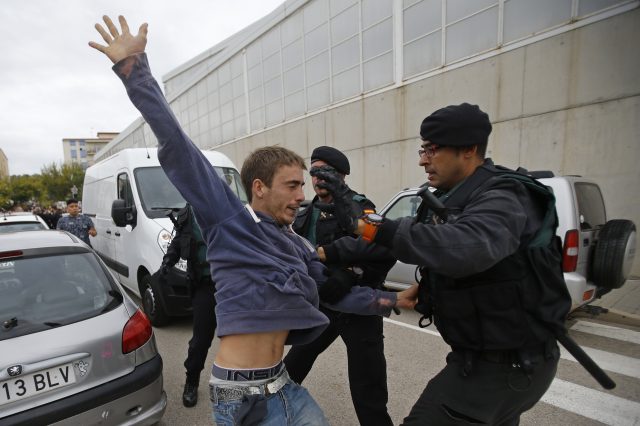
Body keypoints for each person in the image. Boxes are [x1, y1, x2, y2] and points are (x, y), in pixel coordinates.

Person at [89, 15, 417, 425]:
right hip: (241, 397)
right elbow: (177, 143)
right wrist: (135, 71)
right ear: (259, 187)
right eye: (293, 185)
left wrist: (392, 299)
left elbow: (332, 294)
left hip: (283, 386)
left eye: (304, 186)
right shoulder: (229, 222)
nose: (302, 196)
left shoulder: (296, 243)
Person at [353, 103, 570, 425]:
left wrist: (377, 228)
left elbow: (470, 246)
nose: (422, 159)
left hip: (500, 368)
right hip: (496, 360)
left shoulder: (503, 195)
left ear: (469, 150)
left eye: (432, 149)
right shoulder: (457, 197)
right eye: (422, 149)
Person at [284, 146, 395, 426]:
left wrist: (351, 274)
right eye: (315, 172)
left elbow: (383, 251)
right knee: (291, 368)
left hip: (358, 309)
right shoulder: (306, 211)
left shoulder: (359, 206)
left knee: (367, 388)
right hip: (323, 306)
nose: (319, 178)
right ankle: (273, 416)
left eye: (326, 171)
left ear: (342, 175)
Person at [160, 203, 217, 408]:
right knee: (200, 340)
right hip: (204, 287)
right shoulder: (188, 213)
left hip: (231, 286)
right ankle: (191, 381)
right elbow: (178, 242)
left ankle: (245, 383)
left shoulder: (226, 204)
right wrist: (168, 261)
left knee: (241, 337)